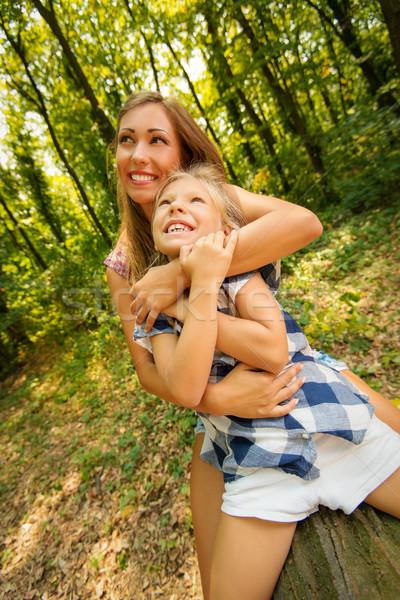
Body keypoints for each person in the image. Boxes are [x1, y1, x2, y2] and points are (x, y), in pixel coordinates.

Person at [105, 91, 400, 599]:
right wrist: (218, 399)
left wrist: (182, 274)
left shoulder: (217, 199)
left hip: (301, 374)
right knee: (212, 561)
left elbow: (305, 223)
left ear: (183, 153)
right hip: (219, 404)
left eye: (157, 140)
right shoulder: (123, 265)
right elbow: (151, 373)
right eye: (127, 140)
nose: (139, 154)